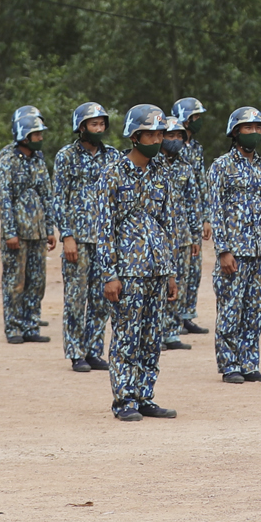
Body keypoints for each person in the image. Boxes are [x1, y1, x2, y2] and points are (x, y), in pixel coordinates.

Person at [95, 105, 181, 421]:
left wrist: (171, 273)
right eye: (151, 134)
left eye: (161, 134)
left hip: (156, 269)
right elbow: (103, 228)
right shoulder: (112, 173)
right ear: (135, 136)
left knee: (151, 338)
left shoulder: (163, 173)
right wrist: (109, 274)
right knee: (126, 338)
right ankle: (124, 400)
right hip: (127, 271)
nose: (158, 139)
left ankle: (145, 396)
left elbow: (167, 225)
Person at [208, 107, 261, 383]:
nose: (253, 133)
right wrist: (223, 250)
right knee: (230, 310)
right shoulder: (221, 167)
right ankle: (229, 365)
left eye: (257, 128)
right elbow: (215, 211)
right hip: (234, 253)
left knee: (254, 311)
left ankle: (249, 363)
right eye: (247, 128)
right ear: (235, 132)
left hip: (258, 254)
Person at [53, 102, 121, 372]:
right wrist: (66, 236)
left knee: (101, 297)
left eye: (102, 123)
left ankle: (94, 350)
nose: (99, 128)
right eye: (94, 124)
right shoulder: (66, 156)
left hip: (104, 239)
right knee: (75, 298)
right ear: (81, 127)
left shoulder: (113, 156)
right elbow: (59, 198)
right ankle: (75, 352)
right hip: (78, 239)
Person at [0, 108, 56, 344]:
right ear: (24, 136)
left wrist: (50, 229)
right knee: (15, 281)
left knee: (36, 281)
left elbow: (46, 196)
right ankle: (14, 327)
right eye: (37, 135)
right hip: (17, 232)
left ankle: (31, 326)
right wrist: (10, 232)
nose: (41, 139)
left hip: (38, 231)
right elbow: (4, 198)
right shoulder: (5, 159)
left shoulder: (39, 159)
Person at [171, 97, 212, 337]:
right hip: (174, 217)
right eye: (195, 117)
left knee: (193, 269)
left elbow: (201, 183)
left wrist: (205, 216)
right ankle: (171, 319)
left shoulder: (196, 147)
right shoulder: (168, 142)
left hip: (193, 216)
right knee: (176, 270)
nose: (198, 121)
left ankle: (187, 315)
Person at [157, 114, 197, 351]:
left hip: (181, 235)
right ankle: (157, 332)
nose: (175, 140)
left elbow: (193, 202)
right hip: (157, 236)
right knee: (159, 284)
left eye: (178, 136)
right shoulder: (151, 163)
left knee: (178, 284)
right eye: (170, 136)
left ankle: (172, 331)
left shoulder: (185, 166)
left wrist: (193, 234)